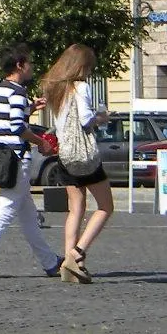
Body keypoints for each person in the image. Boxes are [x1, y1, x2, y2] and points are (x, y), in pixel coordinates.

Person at [0, 45, 62, 277]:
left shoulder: (1, 89)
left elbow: (6, 120)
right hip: (18, 158)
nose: (32, 67)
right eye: (29, 63)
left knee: (28, 216)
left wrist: (30, 108)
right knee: (6, 209)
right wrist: (41, 142)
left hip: (5, 157)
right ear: (20, 65)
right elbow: (18, 127)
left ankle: (50, 262)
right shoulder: (18, 91)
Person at [36, 45, 108, 282]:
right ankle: (77, 253)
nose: (90, 72)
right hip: (84, 155)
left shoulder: (57, 89)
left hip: (65, 154)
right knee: (106, 206)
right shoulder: (81, 87)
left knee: (76, 208)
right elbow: (86, 120)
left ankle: (70, 263)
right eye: (89, 67)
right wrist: (102, 117)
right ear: (81, 66)